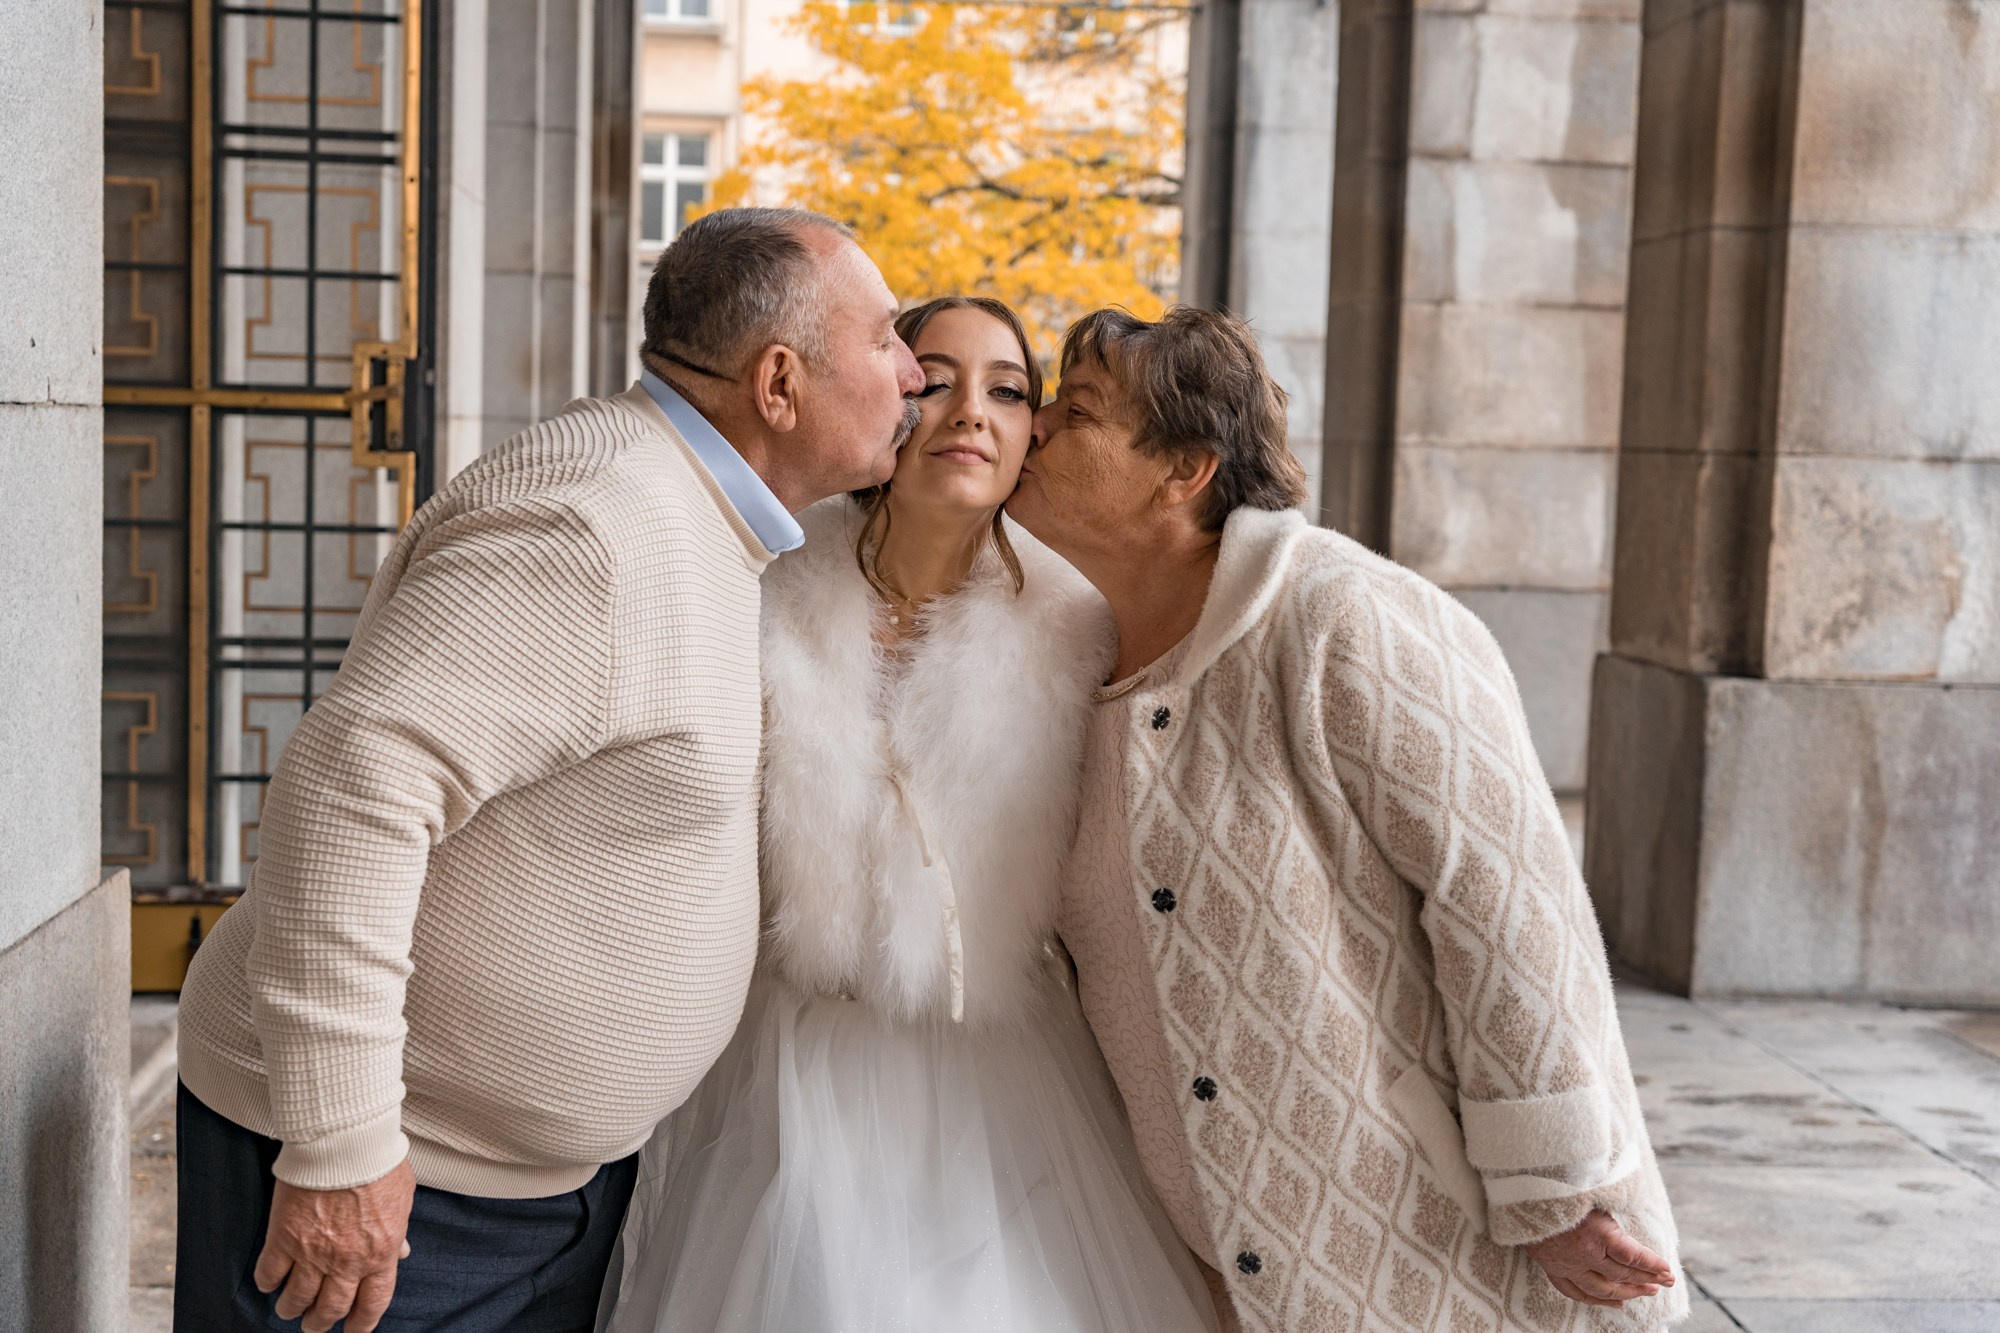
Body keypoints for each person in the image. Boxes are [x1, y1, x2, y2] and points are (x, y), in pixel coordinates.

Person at [170, 207, 925, 1333]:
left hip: (535, 1195)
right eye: (885, 339)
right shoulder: (597, 524)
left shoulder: (708, 519)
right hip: (385, 1188)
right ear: (779, 383)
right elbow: (350, 794)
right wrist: (340, 1146)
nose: (912, 374)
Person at [1008, 306, 1690, 1333]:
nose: (1037, 426)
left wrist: (1556, 1186)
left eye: (1079, 409)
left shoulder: (1340, 615)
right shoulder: (1073, 674)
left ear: (1183, 470)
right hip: (1237, 1272)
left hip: (1438, 1246)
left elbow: (1503, 898)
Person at [599, 297, 1222, 1333]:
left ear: (1034, 435)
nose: (971, 411)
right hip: (776, 1077)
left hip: (1007, 1098)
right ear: (885, 395)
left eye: (1010, 391)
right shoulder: (757, 586)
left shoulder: (1086, 628)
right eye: (935, 377)